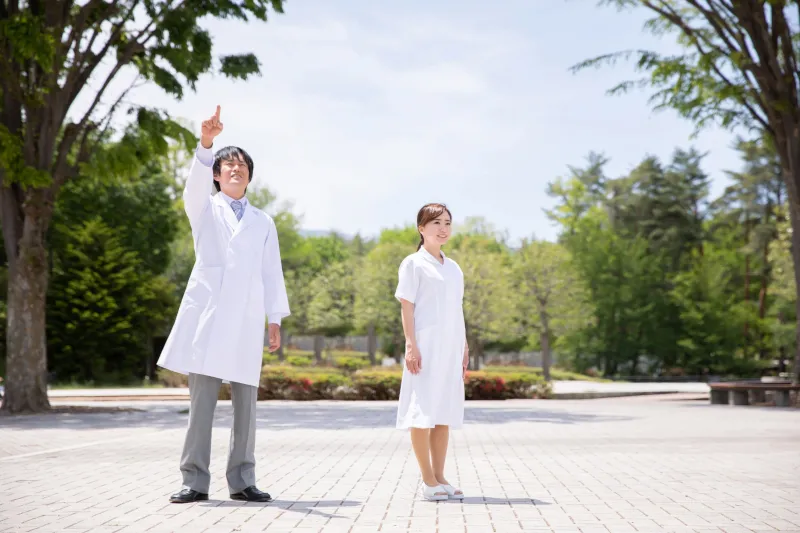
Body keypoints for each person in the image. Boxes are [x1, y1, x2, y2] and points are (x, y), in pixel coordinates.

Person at [157, 106, 290, 503]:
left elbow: (272, 271)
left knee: (246, 406)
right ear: (217, 174)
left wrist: (275, 318)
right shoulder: (204, 207)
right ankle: (194, 480)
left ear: (250, 175)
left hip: (248, 318)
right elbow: (193, 187)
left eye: (242, 166)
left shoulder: (264, 221)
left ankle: (242, 479)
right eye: (227, 165)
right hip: (210, 316)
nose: (235, 170)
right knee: (202, 405)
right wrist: (207, 144)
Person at [394, 203, 469, 501]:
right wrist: (411, 344)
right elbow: (407, 306)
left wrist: (464, 346)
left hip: (450, 347)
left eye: (448, 223)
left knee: (443, 412)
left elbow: (458, 309)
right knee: (422, 410)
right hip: (425, 347)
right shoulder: (413, 263)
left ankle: (440, 477)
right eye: (436, 222)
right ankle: (427, 480)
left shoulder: (454, 268)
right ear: (421, 227)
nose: (443, 228)